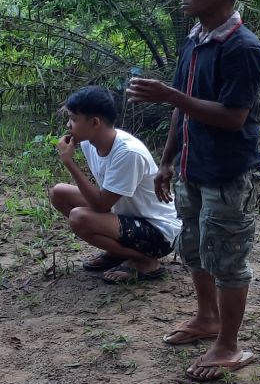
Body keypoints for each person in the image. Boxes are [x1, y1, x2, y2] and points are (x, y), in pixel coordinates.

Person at [127, 0, 260, 383]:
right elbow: (182, 107)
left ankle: (229, 345)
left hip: (228, 173)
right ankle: (206, 318)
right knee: (194, 247)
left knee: (226, 257)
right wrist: (167, 161)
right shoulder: (196, 38)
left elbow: (232, 116)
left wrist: (170, 96)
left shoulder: (243, 49)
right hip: (191, 166)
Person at [49, 86, 181, 284]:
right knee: (59, 193)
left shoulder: (128, 152)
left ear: (95, 122)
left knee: (79, 218)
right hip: (128, 216)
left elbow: (100, 205)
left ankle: (146, 261)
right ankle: (118, 252)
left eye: (74, 119)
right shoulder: (89, 142)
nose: (68, 125)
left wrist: (69, 162)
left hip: (158, 232)